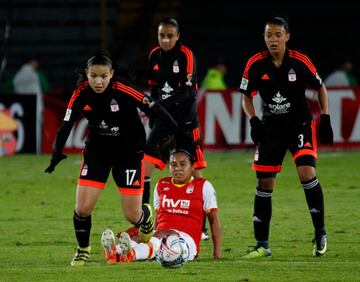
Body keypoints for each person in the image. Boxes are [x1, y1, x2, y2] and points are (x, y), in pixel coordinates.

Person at [44, 54, 182, 266]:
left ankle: (146, 217)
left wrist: (177, 132)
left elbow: (154, 107)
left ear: (111, 75)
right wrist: (56, 152)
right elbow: (66, 124)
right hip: (98, 152)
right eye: (93, 76)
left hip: (128, 154)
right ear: (87, 75)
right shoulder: (81, 93)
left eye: (103, 76)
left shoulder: (123, 89)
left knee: (132, 215)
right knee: (82, 208)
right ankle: (82, 250)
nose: (98, 81)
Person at [239, 16, 334, 258]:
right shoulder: (255, 64)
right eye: (268, 35)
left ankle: (320, 233)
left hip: (299, 125)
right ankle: (262, 244)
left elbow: (320, 86)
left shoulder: (300, 61)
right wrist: (253, 119)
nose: (273, 39)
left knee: (307, 173)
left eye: (277, 35)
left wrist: (325, 117)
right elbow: (246, 96)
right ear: (264, 37)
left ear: (287, 37)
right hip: (271, 129)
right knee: (264, 183)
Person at [143, 18, 208, 239]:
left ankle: (202, 229)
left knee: (195, 174)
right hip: (162, 123)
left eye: (170, 36)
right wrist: (154, 116)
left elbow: (188, 94)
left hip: (185, 123)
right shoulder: (154, 56)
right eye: (162, 35)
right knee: (144, 169)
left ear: (178, 36)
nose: (166, 40)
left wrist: (158, 107)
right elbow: (153, 90)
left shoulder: (186, 56)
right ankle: (145, 220)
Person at [100, 148, 221, 264]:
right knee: (140, 237)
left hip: (186, 242)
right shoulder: (162, 184)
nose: (177, 168)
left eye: (183, 164)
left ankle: (132, 255)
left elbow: (213, 220)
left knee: (161, 235)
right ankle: (114, 253)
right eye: (173, 165)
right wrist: (145, 234)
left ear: (192, 166)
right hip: (161, 235)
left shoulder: (203, 186)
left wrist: (217, 253)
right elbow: (159, 217)